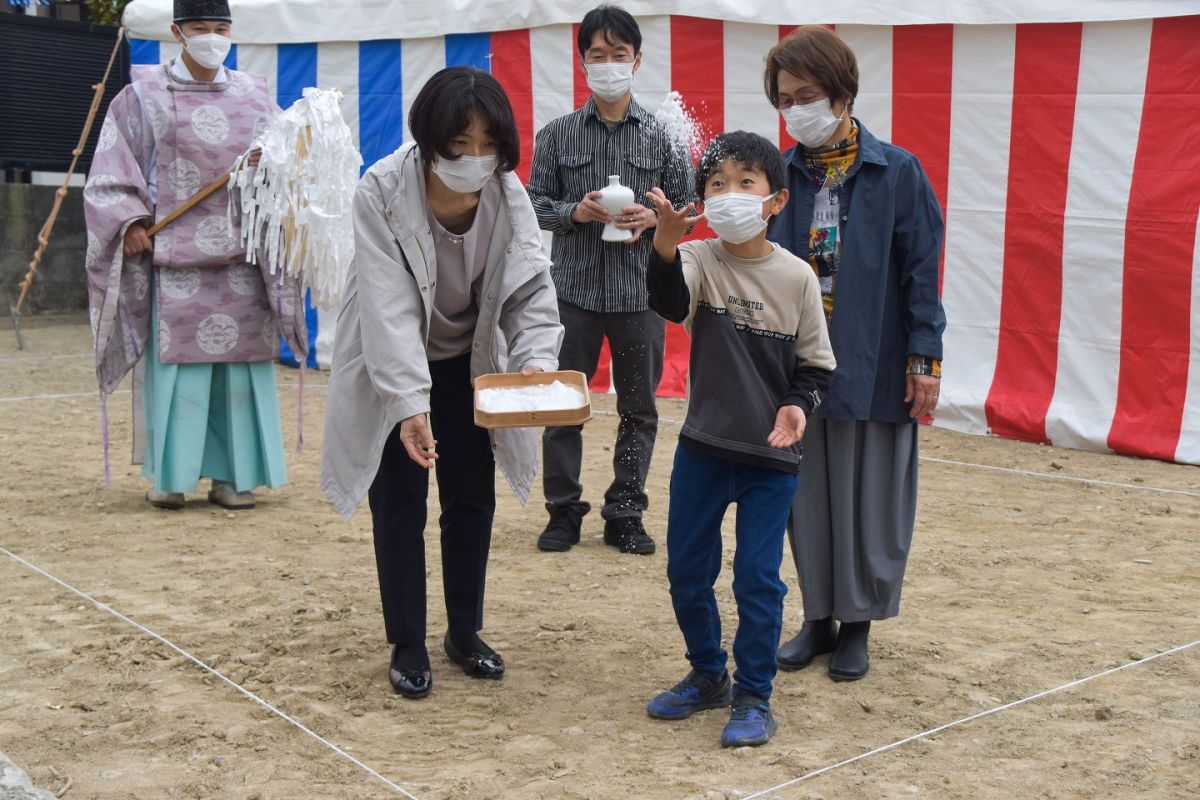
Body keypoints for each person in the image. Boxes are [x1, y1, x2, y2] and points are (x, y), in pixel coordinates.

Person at [320, 67, 564, 700]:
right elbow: (388, 306)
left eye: (488, 146)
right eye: (459, 145)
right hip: (391, 358)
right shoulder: (381, 191)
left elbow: (531, 290)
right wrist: (406, 402)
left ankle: (464, 631)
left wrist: (535, 362)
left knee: (470, 495)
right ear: (429, 140)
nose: (474, 159)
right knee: (399, 498)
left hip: (466, 361)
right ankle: (407, 640)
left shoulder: (510, 198)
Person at [764, 28, 946, 682]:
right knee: (803, 494)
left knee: (869, 495)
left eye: (806, 95)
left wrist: (925, 356)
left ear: (842, 93)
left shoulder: (896, 171)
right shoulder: (777, 175)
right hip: (799, 366)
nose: (794, 110)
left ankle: (858, 623)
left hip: (875, 358)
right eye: (784, 99)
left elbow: (922, 269)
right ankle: (817, 617)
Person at [643, 132, 836, 747]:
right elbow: (670, 304)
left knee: (757, 577)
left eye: (744, 182)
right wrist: (666, 248)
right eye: (716, 184)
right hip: (702, 447)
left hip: (770, 458)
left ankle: (754, 695)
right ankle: (707, 674)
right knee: (686, 571)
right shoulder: (701, 259)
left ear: (775, 200)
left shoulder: (798, 277)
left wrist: (796, 405)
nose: (729, 195)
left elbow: (816, 366)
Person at [84, 0, 306, 511]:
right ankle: (174, 476)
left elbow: (289, 165)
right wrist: (132, 221)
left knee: (241, 373)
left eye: (221, 28)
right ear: (177, 32)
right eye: (200, 28)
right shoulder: (142, 96)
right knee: (179, 370)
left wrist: (269, 165)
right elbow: (111, 168)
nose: (212, 37)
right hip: (173, 258)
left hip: (242, 258)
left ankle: (235, 478)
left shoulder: (255, 96)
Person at [526, 3, 694, 555]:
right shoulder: (556, 135)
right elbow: (532, 204)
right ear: (582, 64)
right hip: (572, 293)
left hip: (638, 295)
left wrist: (653, 220)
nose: (608, 65)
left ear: (637, 61)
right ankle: (563, 510)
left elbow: (688, 207)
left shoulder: (664, 137)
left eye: (618, 55)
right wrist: (576, 212)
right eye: (596, 56)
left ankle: (625, 509)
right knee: (563, 406)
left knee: (638, 409)